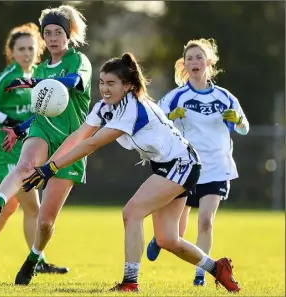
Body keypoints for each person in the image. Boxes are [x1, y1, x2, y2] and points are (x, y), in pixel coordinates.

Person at [21, 52, 241, 292]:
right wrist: (47, 167)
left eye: (111, 83)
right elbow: (79, 136)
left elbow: (92, 144)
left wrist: (51, 167)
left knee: (131, 213)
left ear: (127, 86)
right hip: (171, 165)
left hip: (182, 164)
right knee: (168, 239)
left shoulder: (131, 107)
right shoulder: (104, 106)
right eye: (102, 82)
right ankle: (216, 267)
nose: (105, 88)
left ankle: (130, 282)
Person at [0, 5, 92, 284]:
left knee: (44, 221)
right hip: (42, 130)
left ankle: (33, 259)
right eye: (48, 33)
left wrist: (34, 80)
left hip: (71, 141)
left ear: (68, 35)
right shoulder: (41, 68)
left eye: (58, 33)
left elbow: (74, 83)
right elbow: (42, 109)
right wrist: (19, 128)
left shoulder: (79, 61)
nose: (52, 38)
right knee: (24, 166)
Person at [0, 23, 68, 274]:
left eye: (31, 48)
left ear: (38, 49)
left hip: (29, 153)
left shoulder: (39, 78)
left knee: (11, 207)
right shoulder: (7, 77)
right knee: (32, 208)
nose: (26, 53)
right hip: (10, 154)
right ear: (11, 52)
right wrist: (6, 121)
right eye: (21, 48)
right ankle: (39, 262)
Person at [146, 38, 249, 286]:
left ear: (209, 62)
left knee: (206, 221)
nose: (194, 62)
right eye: (189, 58)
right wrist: (171, 117)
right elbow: (156, 125)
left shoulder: (225, 96)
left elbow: (244, 127)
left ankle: (200, 276)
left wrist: (237, 120)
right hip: (187, 168)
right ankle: (159, 238)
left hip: (217, 167)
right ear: (184, 64)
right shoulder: (176, 97)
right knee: (177, 233)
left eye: (199, 57)